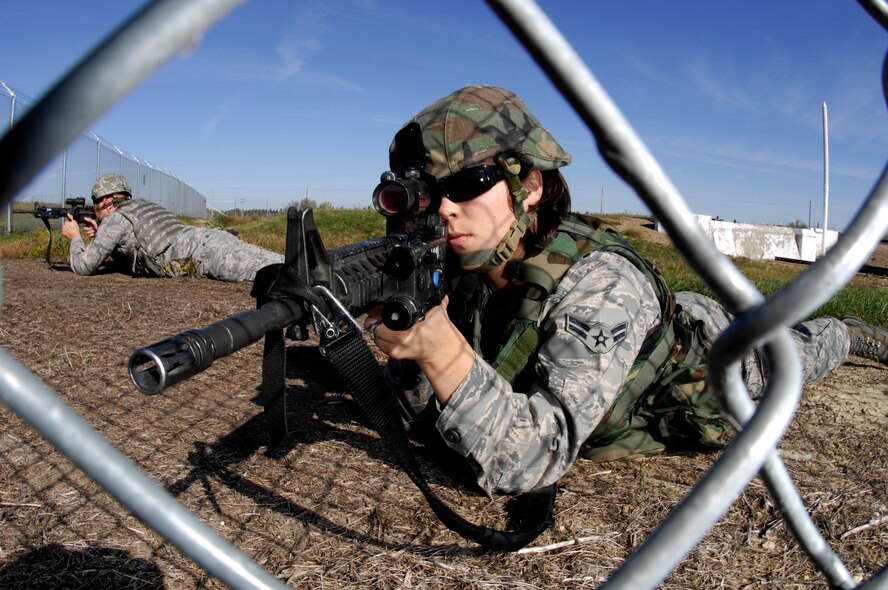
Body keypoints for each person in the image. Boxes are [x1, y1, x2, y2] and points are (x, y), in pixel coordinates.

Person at [362, 84, 888, 496]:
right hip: (639, 329)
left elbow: (533, 460)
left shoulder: (603, 284)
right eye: (431, 192)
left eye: (469, 182)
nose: (446, 208)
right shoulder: (457, 257)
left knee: (787, 354)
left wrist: (442, 350)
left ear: (530, 185)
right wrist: (409, 348)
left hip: (699, 364)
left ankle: (844, 333)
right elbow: (422, 406)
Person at [61, 173, 283, 281]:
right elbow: (134, 247)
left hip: (198, 252)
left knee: (270, 273)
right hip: (206, 238)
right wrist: (99, 235)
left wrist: (75, 237)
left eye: (95, 199)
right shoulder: (141, 206)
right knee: (279, 261)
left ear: (104, 200)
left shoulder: (115, 219)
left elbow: (84, 266)